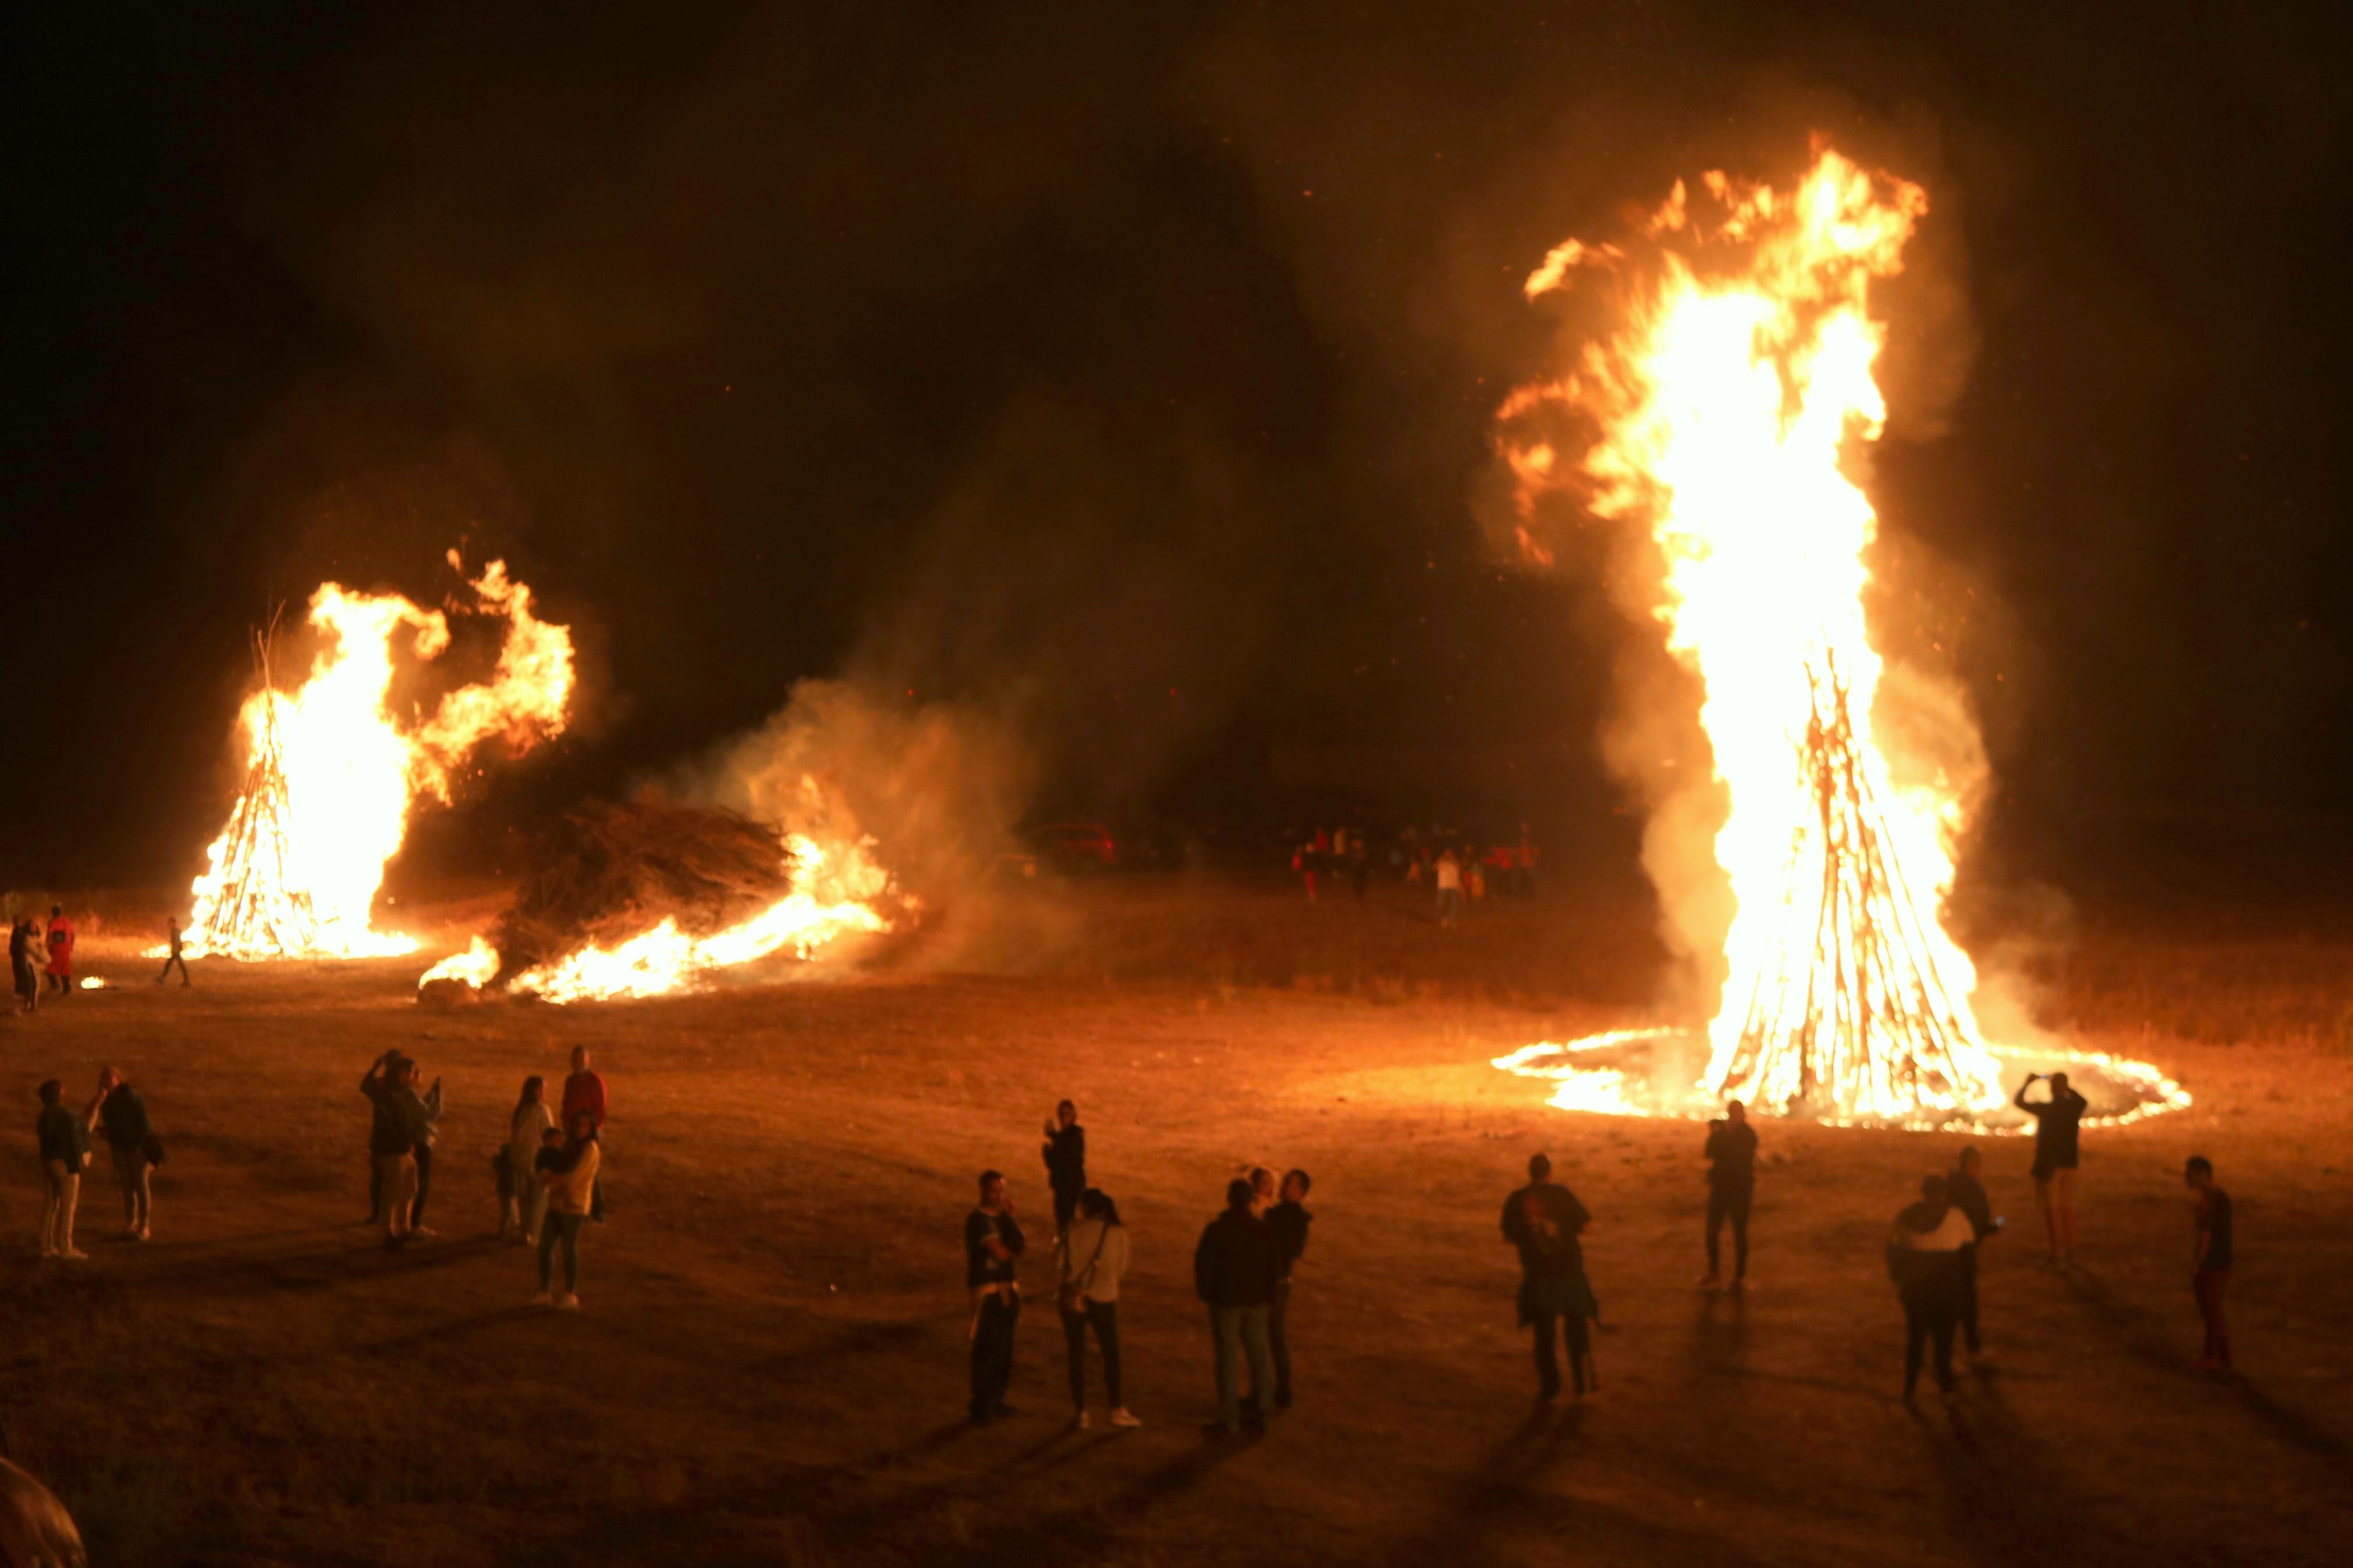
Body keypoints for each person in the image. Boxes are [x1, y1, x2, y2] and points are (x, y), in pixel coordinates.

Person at [1502, 1153, 1598, 1401]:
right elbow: (1586, 1226)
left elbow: (1509, 1235)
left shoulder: (1516, 1200)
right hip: (1570, 1273)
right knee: (1576, 1330)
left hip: (1538, 1276)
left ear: (1529, 1172)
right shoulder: (1563, 1194)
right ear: (1550, 1173)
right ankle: (1582, 1383)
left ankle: (1550, 1387)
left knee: (1544, 1336)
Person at [1194, 1177, 1279, 1435]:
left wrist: (1208, 1295)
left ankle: (1229, 1419)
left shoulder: (1217, 1230)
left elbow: (1204, 1267)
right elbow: (1274, 1268)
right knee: (1259, 1357)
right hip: (1256, 1303)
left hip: (1226, 1303)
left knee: (1227, 1361)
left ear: (1229, 1200)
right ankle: (1264, 1413)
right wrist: (1266, 1295)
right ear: (1251, 1201)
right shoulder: (1263, 1230)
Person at [1056, 1187, 1140, 1430]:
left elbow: (1059, 1264)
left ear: (1084, 1208)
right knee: (1111, 1354)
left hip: (1075, 1300)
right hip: (1105, 1299)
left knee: (1077, 1354)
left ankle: (1081, 1412)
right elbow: (1121, 1269)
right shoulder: (1117, 1233)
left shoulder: (1071, 1230)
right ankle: (1116, 1409)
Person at [1890, 1174, 1974, 1402]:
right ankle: (1946, 1389)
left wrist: (1903, 1284)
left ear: (1923, 1193)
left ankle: (1910, 1390)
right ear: (1944, 1195)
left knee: (1916, 1341)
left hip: (1915, 1292)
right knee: (1944, 1343)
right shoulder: (1956, 1218)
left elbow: (1893, 1256)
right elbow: (1968, 1261)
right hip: (1945, 1291)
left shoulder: (1904, 1218)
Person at [966, 1169, 1027, 1424]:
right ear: (982, 1189)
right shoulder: (978, 1220)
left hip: (1007, 1291)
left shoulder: (1001, 1219)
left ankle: (996, 1400)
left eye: (1001, 1190)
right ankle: (980, 1406)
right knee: (987, 1351)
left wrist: (1010, 1219)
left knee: (1004, 1351)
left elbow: (1019, 1246)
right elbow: (1002, 1253)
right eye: (994, 1190)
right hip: (989, 1293)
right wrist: (1011, 1248)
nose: (998, 1195)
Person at [2015, 1071, 2088, 1266]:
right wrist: (2065, 1087)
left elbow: (2019, 1102)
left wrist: (2028, 1083)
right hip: (2070, 1166)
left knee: (2052, 1211)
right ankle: (2072, 1251)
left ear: (2051, 1089)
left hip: (2051, 1168)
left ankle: (2056, 1254)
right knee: (2068, 1209)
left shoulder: (2046, 1109)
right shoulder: (2074, 1107)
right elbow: (2083, 1101)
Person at [534, 1109, 601, 1308]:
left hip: (574, 1206)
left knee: (568, 1249)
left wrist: (551, 1179)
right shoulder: (570, 1146)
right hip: (556, 1203)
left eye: (585, 1125)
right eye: (578, 1124)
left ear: (592, 1128)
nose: (581, 1129)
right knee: (545, 1247)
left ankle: (569, 1294)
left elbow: (575, 1178)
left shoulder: (590, 1149)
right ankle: (544, 1291)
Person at [1946, 1147, 2001, 1359]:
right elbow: (1980, 1224)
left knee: (1950, 1300)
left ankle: (1948, 1356)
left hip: (1945, 1249)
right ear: (1973, 1166)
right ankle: (1972, 1349)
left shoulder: (1950, 1185)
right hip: (1964, 1249)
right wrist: (1995, 1226)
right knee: (1967, 1300)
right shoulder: (1974, 1190)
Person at [360, 1051, 419, 1246]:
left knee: (410, 1189)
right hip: (390, 1150)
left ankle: (405, 1228)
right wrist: (377, 1067)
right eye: (409, 1072)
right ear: (399, 1073)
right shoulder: (385, 1092)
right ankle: (390, 1232)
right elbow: (366, 1086)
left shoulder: (403, 1092)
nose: (412, 1076)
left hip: (403, 1149)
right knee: (393, 1193)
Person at [1699, 1100, 1757, 1292]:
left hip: (1740, 1190)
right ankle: (1714, 1272)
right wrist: (1715, 1134)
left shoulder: (1749, 1135)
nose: (1734, 1118)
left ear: (1742, 1115)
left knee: (1740, 1234)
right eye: (1732, 1114)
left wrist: (1721, 1136)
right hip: (1721, 1189)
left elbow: (1740, 1157)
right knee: (1712, 1232)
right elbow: (1709, 1153)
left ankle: (1739, 1277)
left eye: (1737, 1114)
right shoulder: (1722, 1133)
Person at [1266, 1168, 1312, 1409]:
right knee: (1270, 1336)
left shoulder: (1292, 1218)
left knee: (1273, 1336)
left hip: (1278, 1283)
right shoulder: (1282, 1215)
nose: (1285, 1187)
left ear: (1301, 1192)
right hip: (1274, 1280)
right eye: (1285, 1182)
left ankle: (1282, 1389)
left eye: (1291, 1185)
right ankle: (1276, 1389)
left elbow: (1294, 1251)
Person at [2185, 1155, 2234, 1373]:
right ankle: (2224, 1357)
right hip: (2221, 1261)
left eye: (2191, 1173)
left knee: (2211, 1312)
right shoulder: (2219, 1199)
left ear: (2203, 1175)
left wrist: (2197, 1262)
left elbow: (2206, 1236)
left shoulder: (2210, 1203)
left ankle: (2211, 1356)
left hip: (2212, 1263)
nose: (2187, 1178)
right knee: (2214, 1311)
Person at [94, 1066, 154, 1241]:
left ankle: (144, 1226)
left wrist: (135, 1146)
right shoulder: (106, 1100)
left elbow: (143, 1125)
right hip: (121, 1148)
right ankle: (131, 1223)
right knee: (128, 1187)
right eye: (105, 1080)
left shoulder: (132, 1097)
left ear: (119, 1080)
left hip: (138, 1148)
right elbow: (111, 1124)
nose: (108, 1083)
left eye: (111, 1079)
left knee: (141, 1186)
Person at [36, 1079, 91, 1260]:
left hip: (48, 1163)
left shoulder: (44, 1115)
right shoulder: (65, 1115)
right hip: (64, 1164)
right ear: (59, 1094)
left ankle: (45, 1246)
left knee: (51, 1204)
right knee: (68, 1207)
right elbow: (74, 1139)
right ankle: (66, 1248)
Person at [503, 1076, 555, 1243]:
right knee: (538, 1199)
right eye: (542, 1089)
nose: (544, 1092)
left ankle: (524, 1232)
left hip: (519, 1159)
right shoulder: (542, 1110)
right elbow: (549, 1136)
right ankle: (534, 1233)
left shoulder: (520, 1110)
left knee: (524, 1198)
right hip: (536, 1160)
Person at [563, 1046, 608, 1222]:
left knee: (591, 1170)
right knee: (575, 1168)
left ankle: (598, 1210)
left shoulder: (595, 1081)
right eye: (576, 1059)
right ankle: (580, 1206)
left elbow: (600, 1108)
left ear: (588, 1060)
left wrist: (592, 1130)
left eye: (582, 1059)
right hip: (573, 1131)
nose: (579, 1062)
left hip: (590, 1132)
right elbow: (566, 1105)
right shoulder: (571, 1081)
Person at [406, 1061, 444, 1237]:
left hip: (413, 1143)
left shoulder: (407, 1095)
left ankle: (408, 1223)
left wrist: (431, 1094)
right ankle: (414, 1224)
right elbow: (430, 1114)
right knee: (421, 1184)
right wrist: (437, 1096)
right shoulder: (409, 1095)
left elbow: (421, 1108)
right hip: (421, 1143)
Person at [1041, 1100, 1087, 1238]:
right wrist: (1053, 1136)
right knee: (1065, 1219)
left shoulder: (1074, 1136)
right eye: (1061, 1114)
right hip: (1068, 1185)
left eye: (1066, 1114)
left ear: (1073, 1116)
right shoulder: (1072, 1135)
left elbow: (1059, 1161)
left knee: (1065, 1220)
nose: (1063, 1118)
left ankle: (1067, 1248)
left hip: (1068, 1186)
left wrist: (1048, 1153)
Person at [10, 916, 42, 1014]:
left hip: (32, 963)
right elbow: (36, 951)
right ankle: (31, 1005)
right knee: (32, 983)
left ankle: (31, 1004)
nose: (34, 927)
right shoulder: (25, 937)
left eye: (35, 926)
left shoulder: (32, 936)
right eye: (32, 926)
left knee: (33, 984)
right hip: (27, 963)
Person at [42, 905, 73, 994]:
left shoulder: (53, 922)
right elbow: (73, 934)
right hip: (66, 949)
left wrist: (47, 946)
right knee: (65, 968)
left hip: (56, 949)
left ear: (52, 913)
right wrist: (71, 946)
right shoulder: (67, 921)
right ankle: (67, 987)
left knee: (50, 967)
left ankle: (54, 984)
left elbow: (50, 936)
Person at [157, 915, 191, 986]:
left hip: (176, 950)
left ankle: (187, 980)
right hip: (176, 950)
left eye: (169, 923)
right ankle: (163, 978)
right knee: (172, 964)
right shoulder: (175, 930)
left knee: (178, 965)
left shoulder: (175, 931)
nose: (168, 924)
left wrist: (175, 950)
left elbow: (177, 941)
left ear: (173, 923)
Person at [1434, 848, 1463, 929]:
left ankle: (1452, 920)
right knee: (1441, 903)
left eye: (1450, 853)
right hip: (1443, 885)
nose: (1448, 855)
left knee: (1454, 904)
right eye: (1447, 853)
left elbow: (1461, 869)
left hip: (1454, 885)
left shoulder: (1456, 861)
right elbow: (1434, 868)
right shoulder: (1441, 861)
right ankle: (1444, 920)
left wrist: (1453, 861)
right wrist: (1440, 861)